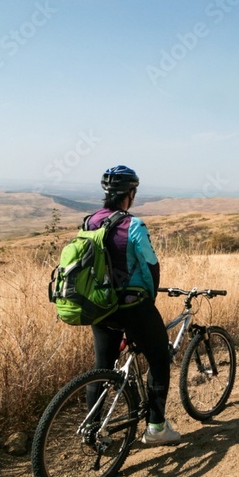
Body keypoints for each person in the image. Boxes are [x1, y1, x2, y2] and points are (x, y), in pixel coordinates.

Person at [84, 164, 181, 446]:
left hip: (100, 306)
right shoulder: (133, 225)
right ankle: (156, 429)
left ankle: (91, 428)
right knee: (159, 359)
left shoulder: (90, 221)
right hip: (133, 307)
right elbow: (151, 265)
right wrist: (149, 301)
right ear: (131, 193)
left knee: (102, 367)